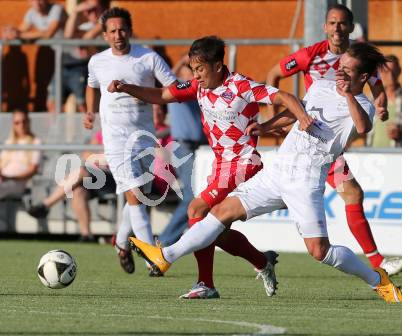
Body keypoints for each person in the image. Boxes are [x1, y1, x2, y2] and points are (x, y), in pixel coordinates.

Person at [129, 43, 402, 303]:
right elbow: (294, 113)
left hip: (305, 180)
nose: (339, 71)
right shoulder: (321, 86)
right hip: (278, 172)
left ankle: (376, 279)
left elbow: (362, 126)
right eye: (339, 65)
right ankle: (165, 256)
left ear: (364, 76)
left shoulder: (363, 105)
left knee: (319, 251)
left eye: (347, 69)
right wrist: (267, 126)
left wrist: (347, 94)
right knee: (221, 212)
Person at [108, 36, 314, 298]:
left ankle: (204, 282)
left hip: (243, 163)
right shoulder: (198, 86)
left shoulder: (241, 86)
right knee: (212, 231)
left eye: (200, 69)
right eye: (194, 70)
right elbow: (162, 94)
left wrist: (302, 117)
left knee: (196, 209)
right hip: (221, 166)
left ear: (218, 66)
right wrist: (127, 88)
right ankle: (262, 261)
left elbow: (284, 96)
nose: (196, 75)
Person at [265, 3, 402, 275]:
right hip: (312, 142)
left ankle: (260, 257)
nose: (337, 28)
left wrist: (381, 106)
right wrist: (280, 121)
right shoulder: (311, 54)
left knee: (348, 194)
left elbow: (377, 89)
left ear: (351, 28)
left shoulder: (359, 57)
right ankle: (378, 265)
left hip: (332, 140)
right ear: (325, 27)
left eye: (342, 23)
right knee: (351, 193)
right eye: (332, 23)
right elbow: (274, 74)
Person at [83, 7, 177, 274]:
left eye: (122, 29)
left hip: (144, 137)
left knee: (141, 193)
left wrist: (145, 94)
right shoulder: (97, 61)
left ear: (130, 31)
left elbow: (171, 88)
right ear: (104, 35)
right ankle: (152, 257)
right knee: (135, 194)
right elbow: (91, 86)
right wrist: (89, 111)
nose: (118, 35)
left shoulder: (148, 57)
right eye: (112, 31)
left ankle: (121, 242)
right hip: (115, 140)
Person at [27, 131, 116, 242]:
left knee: (82, 171)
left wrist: (99, 158)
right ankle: (86, 235)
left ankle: (46, 204)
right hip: (97, 175)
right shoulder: (102, 133)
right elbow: (86, 154)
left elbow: (116, 159)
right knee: (78, 190)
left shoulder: (124, 131)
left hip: (116, 177)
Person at [158, 56, 207, 247]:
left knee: (200, 195)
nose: (193, 73)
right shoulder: (176, 89)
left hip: (202, 147)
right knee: (191, 196)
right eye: (189, 69)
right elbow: (168, 76)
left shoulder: (198, 89)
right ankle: (164, 241)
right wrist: (182, 62)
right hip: (184, 147)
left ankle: (176, 239)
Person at [51, 0, 110, 113]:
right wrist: (75, 12)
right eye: (88, 10)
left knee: (87, 106)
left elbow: (88, 36)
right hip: (72, 65)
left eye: (95, 9)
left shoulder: (106, 21)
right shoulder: (84, 22)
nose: (91, 13)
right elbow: (68, 36)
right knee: (53, 104)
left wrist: (79, 38)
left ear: (103, 9)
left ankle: (94, 130)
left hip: (94, 70)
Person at [0, 111, 41, 200]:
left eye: (24, 121)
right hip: (4, 180)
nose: (21, 125)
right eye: (17, 123)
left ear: (28, 122)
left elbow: (33, 170)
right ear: (13, 125)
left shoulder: (36, 142)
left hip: (18, 183)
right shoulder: (9, 142)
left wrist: (10, 178)